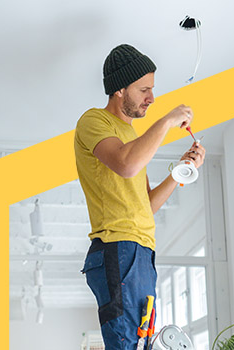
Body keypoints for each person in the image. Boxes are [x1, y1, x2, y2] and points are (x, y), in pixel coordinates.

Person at [74, 44, 206, 350]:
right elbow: (126, 163)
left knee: (139, 343)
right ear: (120, 90)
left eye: (152, 89)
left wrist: (181, 170)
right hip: (118, 247)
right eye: (143, 89)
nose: (151, 98)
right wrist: (167, 120)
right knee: (128, 344)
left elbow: (146, 205)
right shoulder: (94, 121)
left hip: (140, 251)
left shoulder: (132, 137)